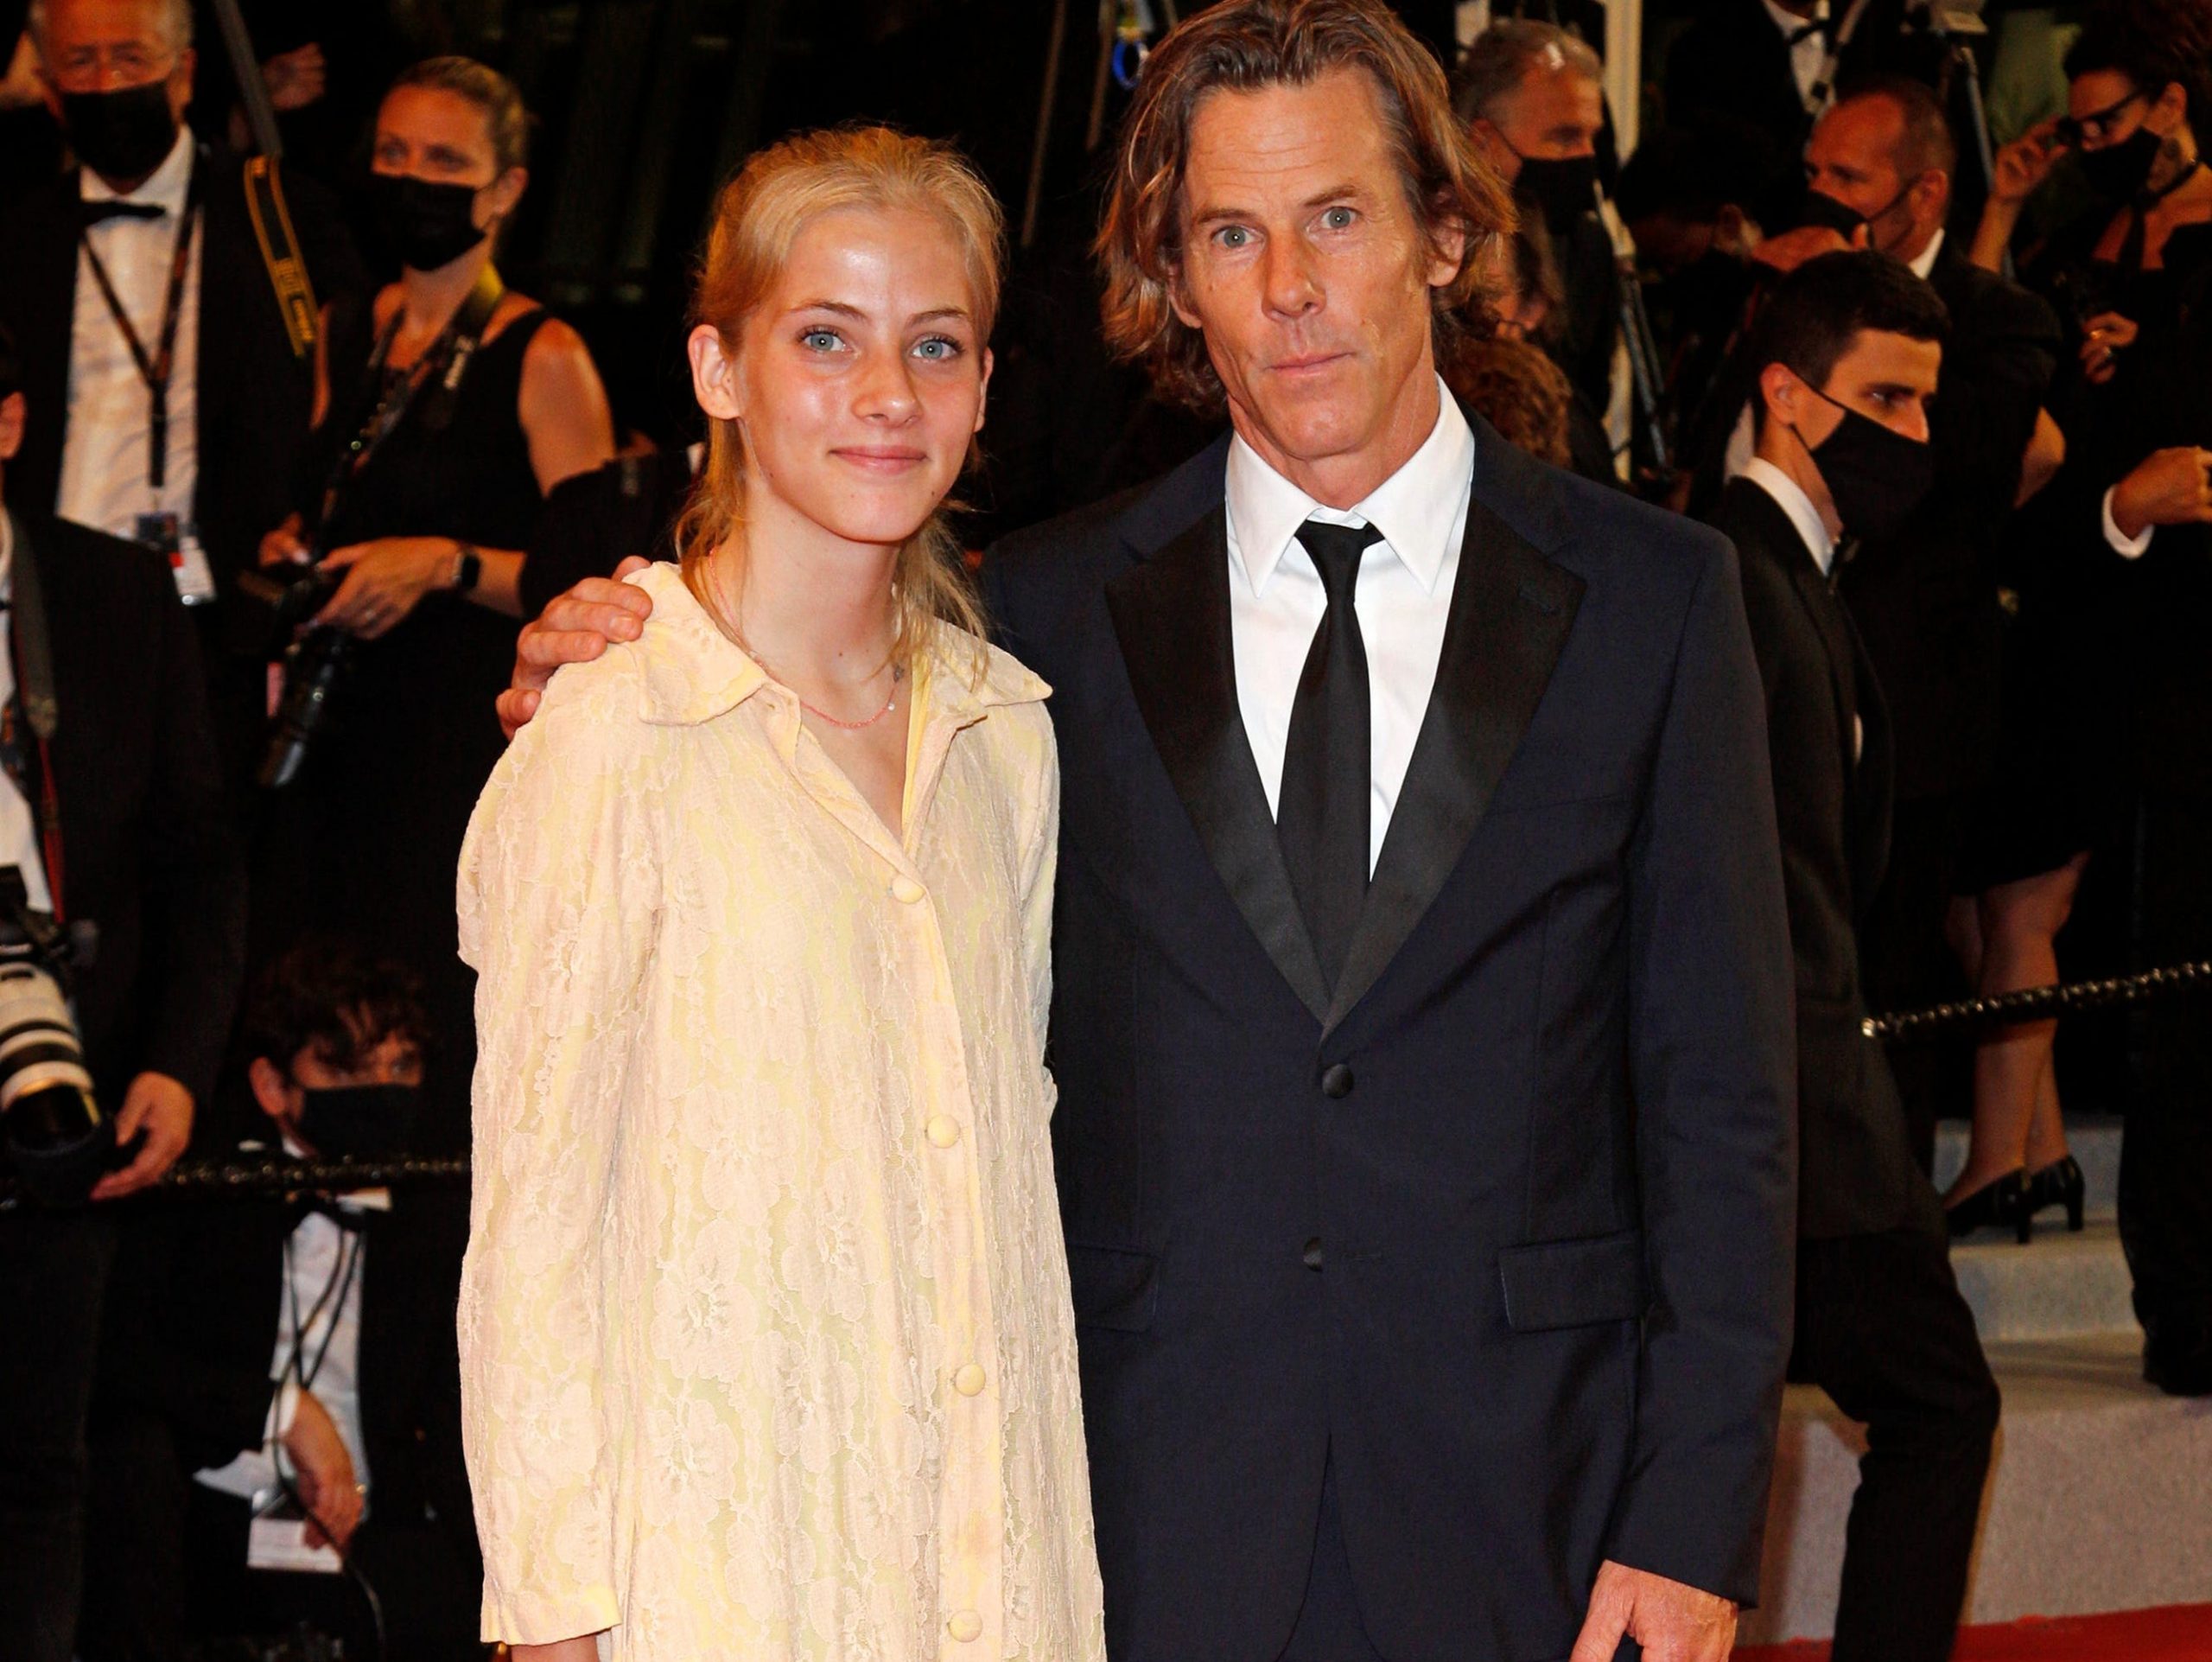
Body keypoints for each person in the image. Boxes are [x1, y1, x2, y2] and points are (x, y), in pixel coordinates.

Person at [508, 6, 1800, 1659]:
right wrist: (613, 634)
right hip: (1132, 1513)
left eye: (1337, 217)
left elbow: (1727, 1103)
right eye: (1229, 235)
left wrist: (1692, 1522)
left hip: (1530, 1514)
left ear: (1445, 236)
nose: (1290, 289)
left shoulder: (1656, 599)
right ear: (1176, 280)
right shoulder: (1029, 619)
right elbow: (786, 694)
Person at [459, 126, 1105, 1662]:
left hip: (984, 1576)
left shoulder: (1005, 735)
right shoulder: (614, 727)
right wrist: (550, 1617)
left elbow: (1002, 1182)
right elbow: (531, 1229)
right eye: (826, 338)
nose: (887, 396)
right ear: (718, 367)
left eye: (933, 344)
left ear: (987, 386)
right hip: (719, 1577)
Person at [1711, 251, 2002, 1662]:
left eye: (1927, 404)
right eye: (1884, 395)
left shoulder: (1793, 580)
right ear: (1787, 395)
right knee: (1944, 1406)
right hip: (1796, 1130)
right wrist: (1845, 1150)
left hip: (1794, 1122)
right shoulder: (1738, 580)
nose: (1915, 437)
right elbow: (1765, 903)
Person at [257, 55, 614, 1157]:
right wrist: (298, 545)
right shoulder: (352, 327)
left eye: (444, 162)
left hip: (451, 739)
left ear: (504, 188)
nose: (411, 179)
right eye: (394, 155)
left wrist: (445, 563)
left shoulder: (544, 354)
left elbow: (601, 585)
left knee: (416, 1006)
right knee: (305, 978)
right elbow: (331, 485)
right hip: (334, 730)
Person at [0, 321, 246, 1662]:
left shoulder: (111, 596)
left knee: (41, 1470)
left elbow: (203, 856)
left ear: (10, 422)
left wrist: (177, 1065)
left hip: (76, 1086)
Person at [78, 938, 480, 1661]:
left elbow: (454, 1424)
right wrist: (284, 1411)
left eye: (400, 1067)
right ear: (270, 1086)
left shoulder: (440, 1218)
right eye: (345, 1068)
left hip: (372, 1539)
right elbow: (110, 1358)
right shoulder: (201, 1193)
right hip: (205, 1531)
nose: (380, 1090)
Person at [0, 0, 361, 780]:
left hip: (217, 624)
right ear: (51, 89)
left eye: (130, 59)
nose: (107, 83)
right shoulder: (16, 237)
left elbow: (361, 375)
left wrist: (305, 528)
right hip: (41, 620)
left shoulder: (280, 217)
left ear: (185, 71)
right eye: (81, 63)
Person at [1453, 21, 1620, 429]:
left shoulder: (1587, 250)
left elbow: (1592, 393)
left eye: (1590, 138)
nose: (1585, 157)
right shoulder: (1433, 251)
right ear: (1483, 143)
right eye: (1564, 137)